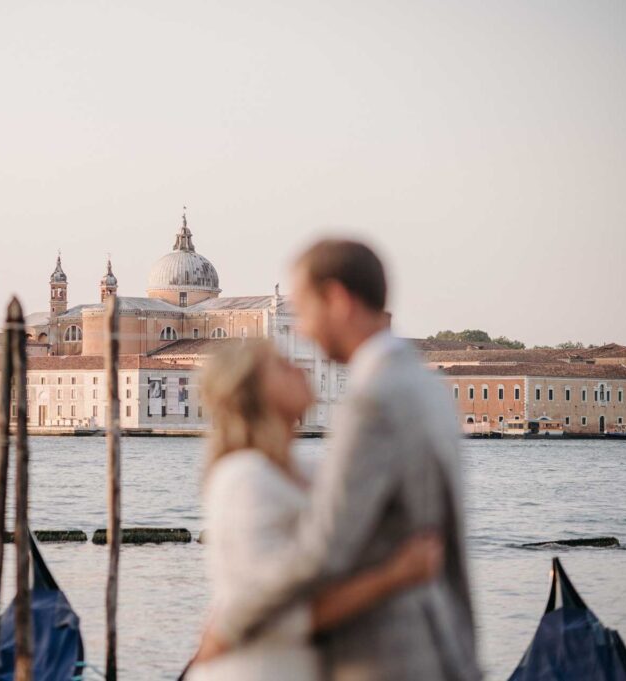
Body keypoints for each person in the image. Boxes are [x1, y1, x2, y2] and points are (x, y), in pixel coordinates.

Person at [196, 239, 480, 680]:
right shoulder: (428, 389)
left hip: (384, 659)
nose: (302, 333)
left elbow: (324, 550)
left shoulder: (372, 401)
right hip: (430, 649)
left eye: (306, 310)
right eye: (280, 362)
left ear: (339, 300)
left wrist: (230, 625)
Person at [186, 339, 446, 681]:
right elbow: (273, 616)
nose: (301, 368)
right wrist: (393, 576)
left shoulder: (307, 472)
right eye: (281, 365)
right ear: (253, 392)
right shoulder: (243, 479)